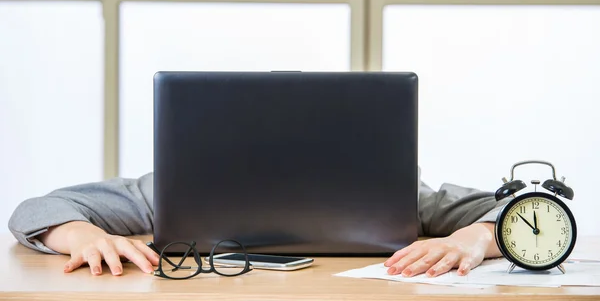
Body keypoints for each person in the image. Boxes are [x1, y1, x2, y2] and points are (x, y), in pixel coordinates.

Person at [8, 169, 507, 278]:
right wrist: (82, 234)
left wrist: (476, 236)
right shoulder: (174, 187)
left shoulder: (388, 189)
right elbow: (33, 210)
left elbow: (518, 209)